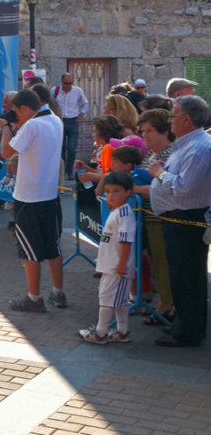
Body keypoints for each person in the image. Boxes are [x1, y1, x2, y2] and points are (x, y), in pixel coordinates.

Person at [149, 95, 211, 347]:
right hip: (177, 220)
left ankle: (189, 332)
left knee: (187, 278)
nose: (169, 121)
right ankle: (185, 327)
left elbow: (184, 188)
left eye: (172, 116)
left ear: (186, 119)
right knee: (183, 276)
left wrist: (159, 173)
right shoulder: (189, 144)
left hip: (185, 221)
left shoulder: (198, 148)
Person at [1, 89, 66, 312]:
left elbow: (5, 152)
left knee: (29, 250)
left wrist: (6, 128)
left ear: (26, 109)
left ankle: (34, 297)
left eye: (16, 111)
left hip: (29, 197)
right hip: (49, 194)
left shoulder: (31, 125)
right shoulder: (55, 120)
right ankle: (58, 292)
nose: (15, 116)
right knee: (52, 247)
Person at [79, 171, 136, 344]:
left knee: (106, 299)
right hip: (111, 264)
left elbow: (126, 241)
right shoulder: (117, 211)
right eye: (108, 191)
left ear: (127, 192)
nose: (110, 195)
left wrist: (121, 264)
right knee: (118, 301)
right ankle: (122, 331)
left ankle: (100, 332)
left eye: (116, 191)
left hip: (116, 267)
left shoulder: (125, 214)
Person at [133, 109, 175, 322]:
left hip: (162, 217)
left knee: (162, 261)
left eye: (150, 131)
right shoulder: (150, 154)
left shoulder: (170, 154)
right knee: (154, 259)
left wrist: (135, 189)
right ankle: (164, 301)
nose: (145, 135)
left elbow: (165, 187)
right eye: (143, 130)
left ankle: (167, 304)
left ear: (164, 131)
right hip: (146, 217)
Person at [51, 73, 88, 179]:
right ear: (62, 82)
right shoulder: (55, 90)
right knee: (61, 148)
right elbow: (49, 102)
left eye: (70, 83)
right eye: (66, 83)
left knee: (72, 148)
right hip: (60, 121)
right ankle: (62, 171)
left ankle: (69, 171)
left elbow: (85, 103)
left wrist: (82, 113)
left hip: (73, 121)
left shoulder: (77, 91)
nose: (68, 86)